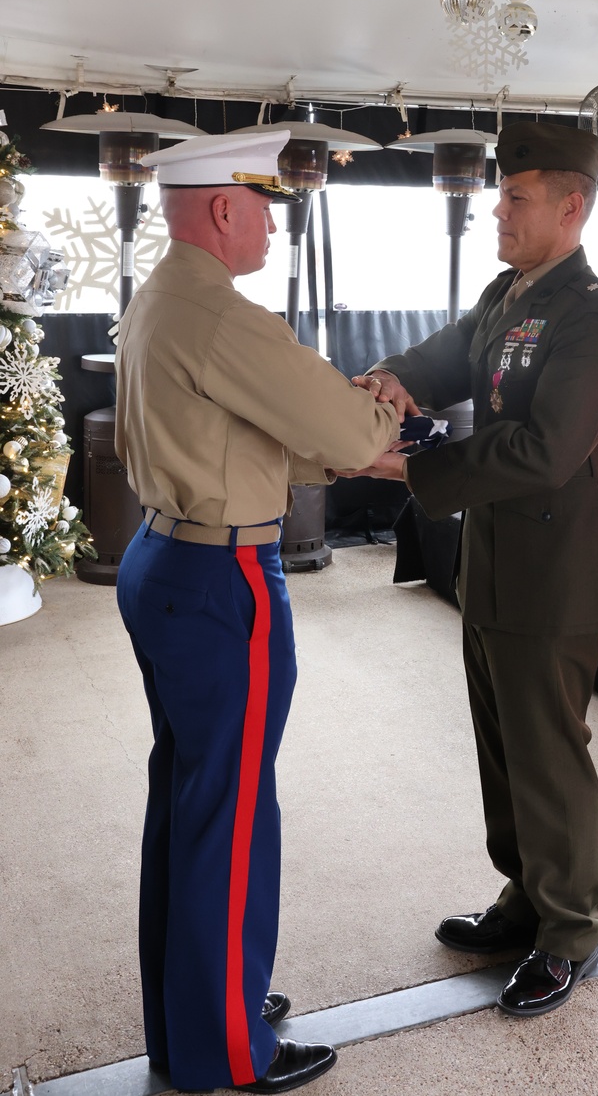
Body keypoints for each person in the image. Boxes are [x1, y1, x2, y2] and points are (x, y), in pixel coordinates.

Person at [115, 129, 399, 1092]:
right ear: (224, 210)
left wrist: (334, 430)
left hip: (162, 559)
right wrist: (380, 406)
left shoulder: (161, 299)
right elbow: (346, 431)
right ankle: (227, 1051)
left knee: (192, 800)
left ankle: (195, 1005)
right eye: (264, 203)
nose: (274, 220)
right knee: (232, 815)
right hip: (221, 578)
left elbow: (259, 437)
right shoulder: (222, 315)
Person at [348, 121, 598, 1017]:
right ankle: (525, 894)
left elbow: (545, 450)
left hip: (554, 578)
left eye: (514, 197)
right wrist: (392, 377)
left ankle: (570, 929)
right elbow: (445, 356)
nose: (495, 211)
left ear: (571, 206)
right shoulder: (509, 294)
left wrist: (409, 466)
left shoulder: (593, 316)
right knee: (504, 747)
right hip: (494, 566)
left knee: (549, 755)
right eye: (498, 195)